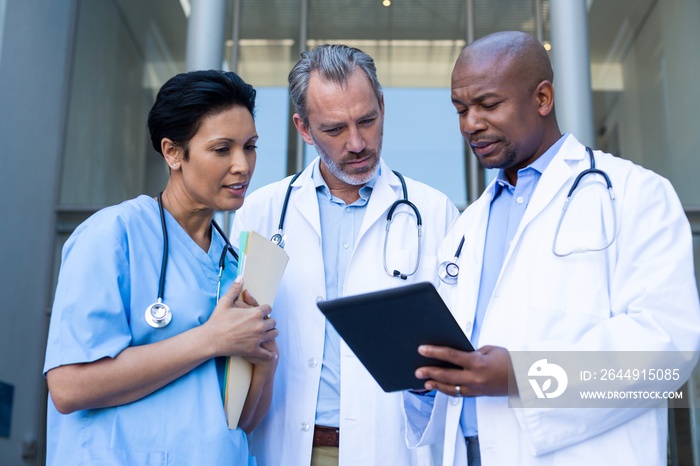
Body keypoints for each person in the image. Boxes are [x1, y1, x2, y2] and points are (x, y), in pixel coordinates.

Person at [404, 31, 700, 466]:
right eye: (461, 110)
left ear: (543, 99)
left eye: (488, 105)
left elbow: (666, 352)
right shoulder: (466, 226)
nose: (470, 124)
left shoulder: (634, 193)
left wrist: (523, 378)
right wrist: (426, 375)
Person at [232, 44, 459, 465]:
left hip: (390, 447)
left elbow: (454, 348)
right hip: (287, 445)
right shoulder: (261, 213)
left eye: (367, 121)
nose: (357, 143)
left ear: (383, 107)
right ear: (303, 128)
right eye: (335, 129)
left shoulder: (434, 212)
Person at [43, 70, 279, 465]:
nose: (242, 165)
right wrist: (212, 339)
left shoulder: (239, 263)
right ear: (173, 153)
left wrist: (264, 359)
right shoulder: (113, 236)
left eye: (249, 146)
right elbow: (68, 386)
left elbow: (243, 421)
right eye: (222, 149)